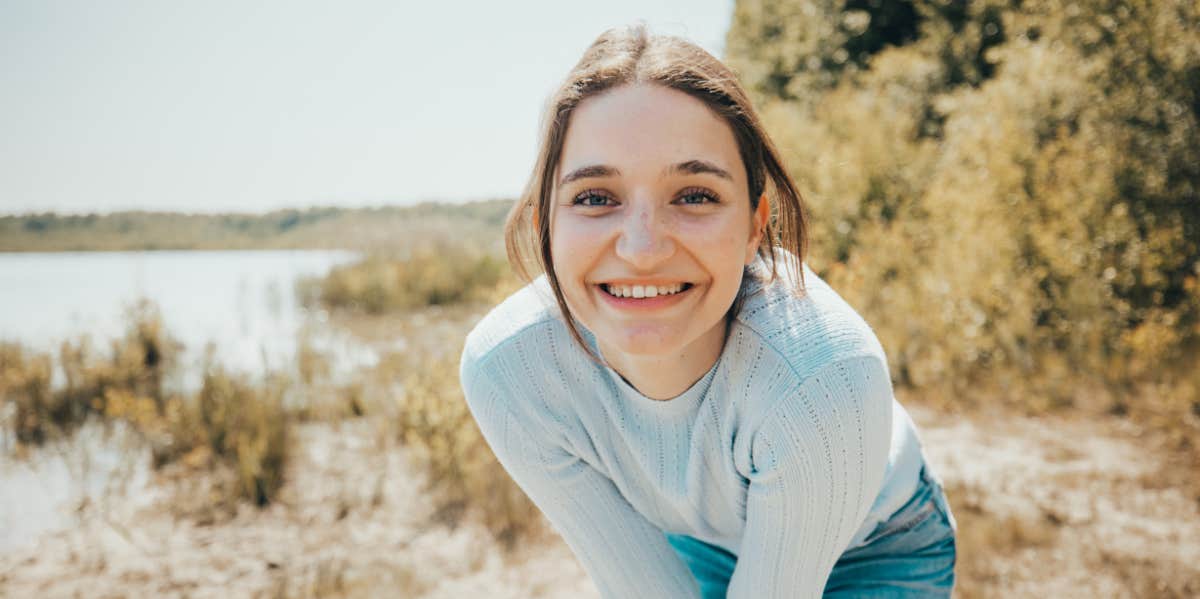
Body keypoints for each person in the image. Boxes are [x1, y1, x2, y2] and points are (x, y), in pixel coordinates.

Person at [458, 23, 957, 598]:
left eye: (695, 195)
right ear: (546, 225)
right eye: (595, 197)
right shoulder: (510, 372)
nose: (642, 249)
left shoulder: (824, 377)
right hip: (701, 538)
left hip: (879, 546)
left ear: (754, 227)